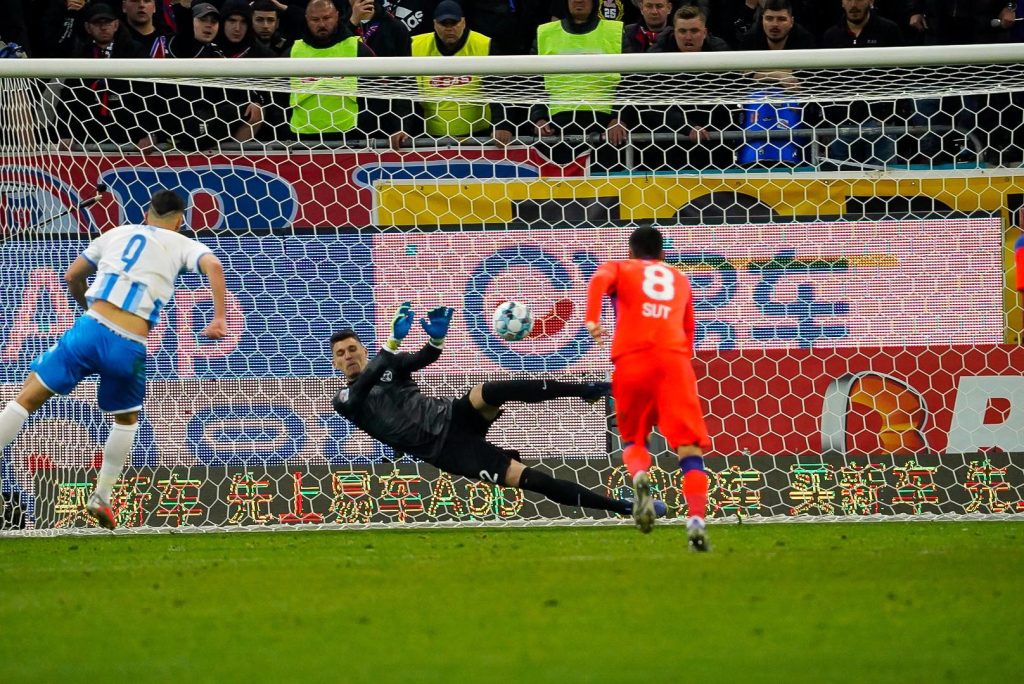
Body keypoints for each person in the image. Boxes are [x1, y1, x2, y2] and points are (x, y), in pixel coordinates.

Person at [0, 190, 228, 530]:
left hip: (89, 330)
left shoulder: (115, 233)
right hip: (131, 345)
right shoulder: (181, 244)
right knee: (126, 421)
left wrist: (86, 309)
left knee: (28, 397)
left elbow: (71, 276)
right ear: (180, 221)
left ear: (145, 213)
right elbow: (213, 264)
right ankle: (102, 496)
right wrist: (219, 317)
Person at [330, 303, 663, 520]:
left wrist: (436, 342)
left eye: (353, 349)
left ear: (363, 350)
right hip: (449, 450)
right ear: (335, 363)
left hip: (451, 416)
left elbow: (420, 361)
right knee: (529, 479)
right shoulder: (344, 399)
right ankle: (627, 507)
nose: (348, 356)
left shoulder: (389, 366)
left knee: (491, 391)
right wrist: (390, 345)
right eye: (341, 353)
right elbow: (363, 387)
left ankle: (589, 390)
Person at [584, 226, 710, 549]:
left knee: (635, 438)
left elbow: (598, 279)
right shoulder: (679, 279)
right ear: (663, 254)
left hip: (631, 361)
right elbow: (689, 330)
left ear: (630, 252)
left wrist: (592, 318)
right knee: (689, 448)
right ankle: (695, 520)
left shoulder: (621, 268)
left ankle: (641, 477)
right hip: (674, 363)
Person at [289, 0, 409, 148]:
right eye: (315, 19)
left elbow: (381, 95)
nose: (321, 24)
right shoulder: (293, 51)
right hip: (301, 137)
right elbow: (276, 96)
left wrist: (395, 127)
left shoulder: (360, 49)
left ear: (337, 16)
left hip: (352, 136)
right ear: (307, 18)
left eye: (327, 18)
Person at [396, 0, 513, 146]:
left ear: (463, 22)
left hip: (480, 136)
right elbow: (405, 93)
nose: (449, 28)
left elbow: (498, 89)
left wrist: (501, 125)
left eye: (454, 23)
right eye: (444, 24)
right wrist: (401, 127)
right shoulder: (415, 46)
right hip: (430, 138)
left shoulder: (484, 45)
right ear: (434, 24)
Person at [531, 0, 628, 168]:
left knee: (607, 191)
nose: (579, 0)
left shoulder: (615, 32)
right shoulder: (545, 33)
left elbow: (631, 83)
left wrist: (619, 119)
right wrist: (538, 118)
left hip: (607, 129)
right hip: (556, 131)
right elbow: (533, 84)